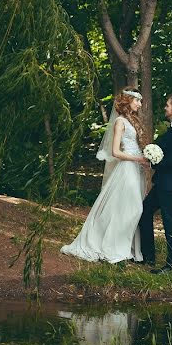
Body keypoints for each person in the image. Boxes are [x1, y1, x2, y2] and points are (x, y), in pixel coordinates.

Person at [61, 87, 150, 263]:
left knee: (129, 208)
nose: (140, 104)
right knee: (133, 209)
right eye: (137, 101)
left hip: (135, 168)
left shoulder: (133, 121)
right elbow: (116, 152)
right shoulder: (120, 122)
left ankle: (128, 248)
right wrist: (137, 159)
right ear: (127, 102)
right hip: (126, 168)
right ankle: (115, 247)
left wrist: (144, 158)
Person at [138, 93, 172, 274]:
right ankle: (148, 256)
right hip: (163, 182)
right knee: (144, 211)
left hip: (170, 183)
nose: (165, 108)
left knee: (170, 222)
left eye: (168, 105)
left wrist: (156, 162)